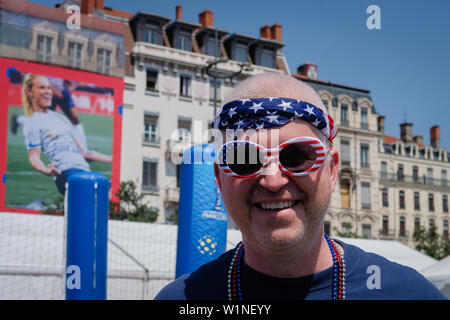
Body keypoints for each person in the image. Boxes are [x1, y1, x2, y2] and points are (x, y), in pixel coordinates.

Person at [155, 73, 446, 300]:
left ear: (332, 170)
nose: (272, 179)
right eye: (244, 159)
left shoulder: (406, 292)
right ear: (219, 178)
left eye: (296, 156)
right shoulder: (183, 298)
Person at [21, 73, 112, 195]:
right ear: (29, 91)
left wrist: (112, 159)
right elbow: (34, 157)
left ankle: (61, 207)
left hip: (85, 171)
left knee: (115, 188)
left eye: (49, 88)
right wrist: (45, 170)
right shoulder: (32, 121)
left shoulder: (62, 119)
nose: (48, 92)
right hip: (66, 174)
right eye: (42, 88)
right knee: (103, 193)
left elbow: (85, 152)